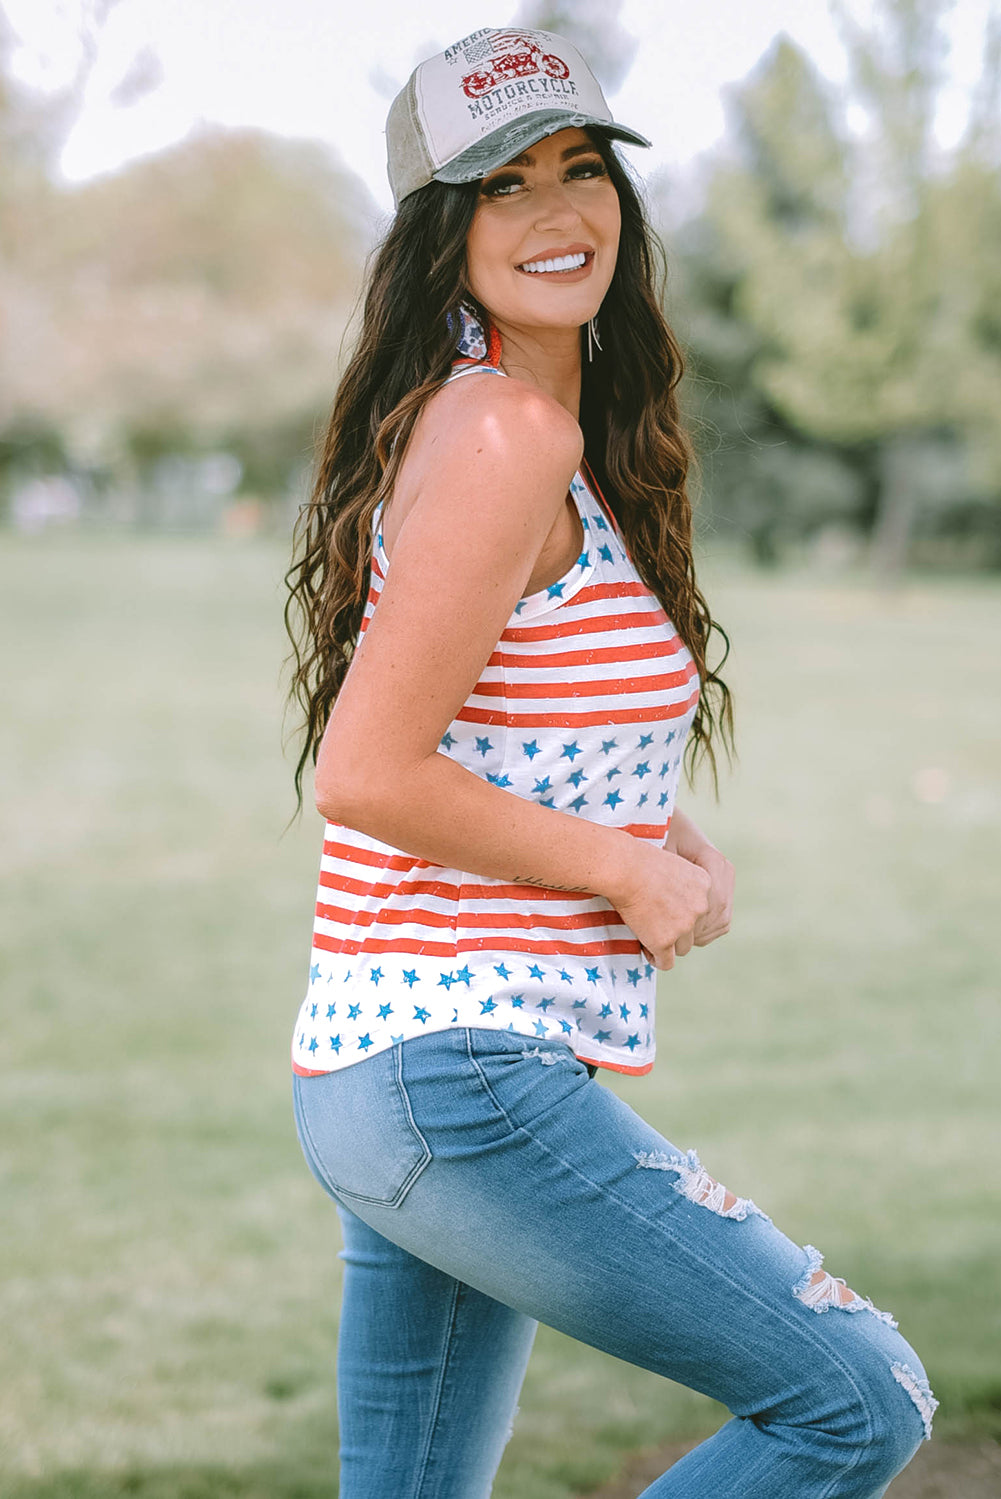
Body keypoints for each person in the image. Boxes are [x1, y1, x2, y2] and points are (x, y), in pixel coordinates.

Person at [283, 26, 936, 1499]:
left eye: (581, 170)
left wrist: (655, 824)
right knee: (857, 1398)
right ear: (439, 234)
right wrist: (617, 868)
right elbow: (367, 773)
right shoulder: (505, 432)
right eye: (501, 188)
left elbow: (498, 718)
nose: (556, 214)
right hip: (456, 1076)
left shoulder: (529, 431)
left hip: (388, 1073)